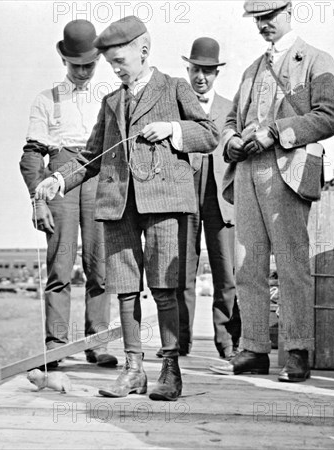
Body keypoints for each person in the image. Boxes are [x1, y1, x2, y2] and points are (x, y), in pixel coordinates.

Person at [35, 16, 219, 401]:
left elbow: (210, 134)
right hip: (118, 206)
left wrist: (173, 130)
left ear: (144, 52)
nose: (115, 69)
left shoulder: (175, 88)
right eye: (112, 63)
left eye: (121, 61)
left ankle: (170, 370)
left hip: (166, 204)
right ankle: (133, 371)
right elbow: (90, 157)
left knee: (165, 288)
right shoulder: (111, 101)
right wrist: (58, 180)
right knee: (124, 290)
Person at [209, 0, 334, 382]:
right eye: (258, 19)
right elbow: (232, 117)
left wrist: (276, 132)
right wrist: (232, 139)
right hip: (247, 172)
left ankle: (297, 351)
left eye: (270, 17)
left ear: (289, 13)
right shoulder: (252, 68)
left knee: (291, 264)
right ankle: (253, 348)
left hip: (290, 171)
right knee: (247, 265)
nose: (263, 25)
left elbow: (329, 116)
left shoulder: (316, 59)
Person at [19, 20, 117, 369]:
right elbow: (31, 156)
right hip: (58, 177)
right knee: (60, 266)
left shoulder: (109, 96)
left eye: (89, 65)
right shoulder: (46, 100)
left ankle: (97, 341)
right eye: (76, 66)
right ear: (64, 61)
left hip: (96, 176)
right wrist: (38, 198)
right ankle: (56, 344)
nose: (82, 72)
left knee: (99, 266)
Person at [161, 37, 241, 360]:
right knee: (182, 273)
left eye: (208, 71)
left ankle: (227, 343)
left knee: (226, 272)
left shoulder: (230, 109)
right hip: (185, 193)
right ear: (188, 69)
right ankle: (179, 342)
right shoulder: (178, 106)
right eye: (196, 69)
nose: (201, 77)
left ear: (217, 73)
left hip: (221, 196)